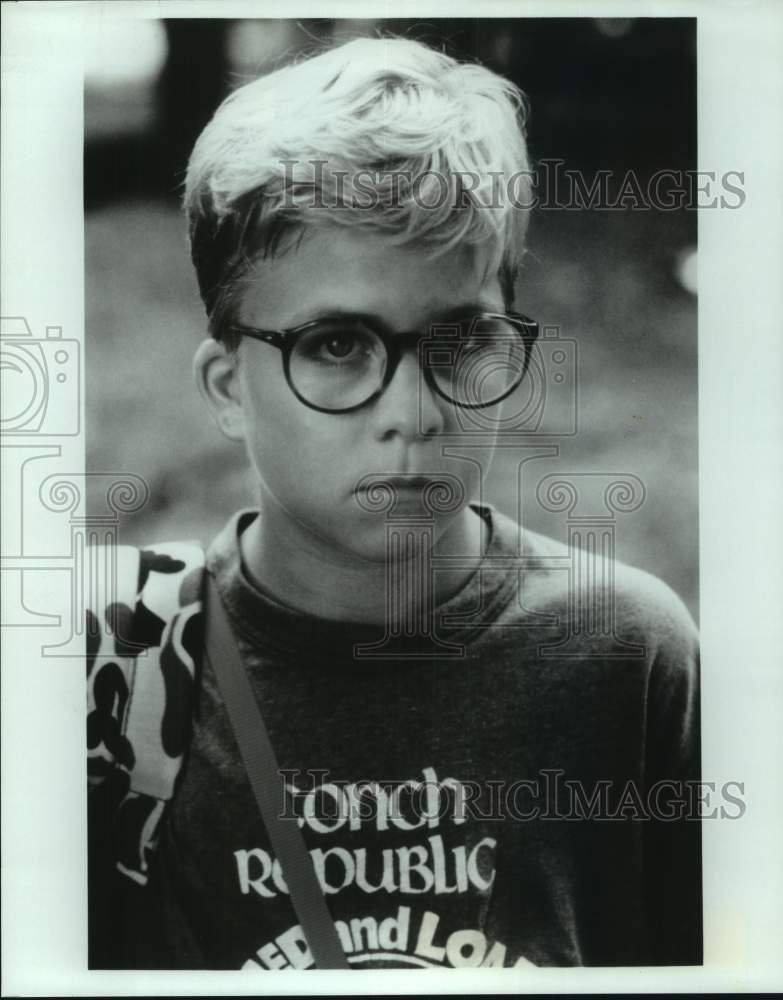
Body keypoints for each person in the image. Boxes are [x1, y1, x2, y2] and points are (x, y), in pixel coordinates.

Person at [87, 35, 701, 970]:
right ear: (226, 386)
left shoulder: (625, 659)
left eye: (460, 341)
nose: (413, 413)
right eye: (336, 345)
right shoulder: (114, 675)